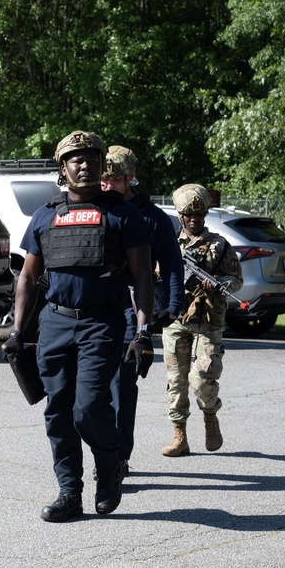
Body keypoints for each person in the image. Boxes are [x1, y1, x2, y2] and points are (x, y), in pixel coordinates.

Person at [2, 130, 154, 523]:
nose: (84, 163)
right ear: (63, 167)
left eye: (91, 157)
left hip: (103, 322)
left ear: (102, 165)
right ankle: (69, 492)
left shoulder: (124, 214)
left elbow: (142, 278)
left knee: (88, 408)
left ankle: (110, 468)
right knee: (58, 411)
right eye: (75, 158)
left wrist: (142, 330)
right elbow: (28, 277)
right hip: (55, 322)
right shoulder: (45, 215)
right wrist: (18, 331)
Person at [100, 145, 185, 475]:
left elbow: (172, 264)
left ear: (130, 178)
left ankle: (118, 457)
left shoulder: (152, 217)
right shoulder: (94, 209)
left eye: (115, 179)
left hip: (134, 309)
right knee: (94, 391)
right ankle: (104, 452)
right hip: (96, 309)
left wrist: (174, 305)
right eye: (103, 179)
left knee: (122, 387)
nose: (107, 185)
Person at [160, 184, 242, 456]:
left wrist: (220, 282)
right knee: (176, 381)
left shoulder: (219, 245)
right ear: (180, 215)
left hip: (208, 320)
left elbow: (237, 280)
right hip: (176, 318)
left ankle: (210, 417)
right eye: (188, 215)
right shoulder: (169, 243)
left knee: (203, 377)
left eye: (199, 215)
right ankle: (179, 436)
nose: (194, 220)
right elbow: (152, 274)